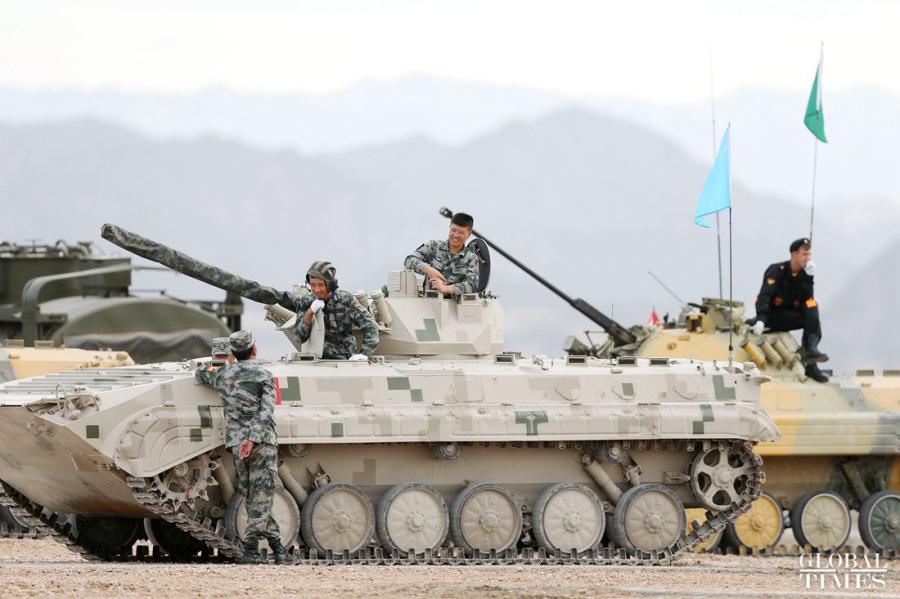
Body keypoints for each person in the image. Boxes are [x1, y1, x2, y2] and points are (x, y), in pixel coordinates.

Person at [195, 330, 289, 564]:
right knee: (262, 495)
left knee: (251, 495)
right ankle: (250, 550)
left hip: (238, 444)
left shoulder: (223, 375)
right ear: (254, 349)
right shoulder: (263, 375)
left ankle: (278, 549)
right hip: (261, 443)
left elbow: (200, 374)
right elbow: (266, 411)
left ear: (233, 353)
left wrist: (218, 360)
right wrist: (253, 438)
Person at [751, 238, 829, 383]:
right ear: (794, 254)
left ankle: (811, 354)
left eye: (809, 254)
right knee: (810, 312)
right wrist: (761, 319)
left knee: (812, 306)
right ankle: (810, 355)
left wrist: (809, 278)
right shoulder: (777, 270)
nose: (807, 258)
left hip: (789, 317)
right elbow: (764, 296)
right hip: (772, 317)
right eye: (804, 254)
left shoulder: (804, 274)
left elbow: (807, 299)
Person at [287, 261, 379, 360]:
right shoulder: (306, 302)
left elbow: (370, 326)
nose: (316, 289)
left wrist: (365, 354)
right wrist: (310, 312)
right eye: (312, 285)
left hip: (345, 361)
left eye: (320, 285)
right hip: (314, 361)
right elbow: (299, 337)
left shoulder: (346, 300)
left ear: (330, 284)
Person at [404, 211, 479, 297]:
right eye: (453, 230)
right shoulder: (434, 246)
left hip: (454, 304)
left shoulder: (471, 258)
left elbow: (472, 285)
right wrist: (427, 269)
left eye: (461, 232)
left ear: (469, 234)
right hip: (428, 301)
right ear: (449, 227)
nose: (455, 235)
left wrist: (446, 288)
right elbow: (409, 260)